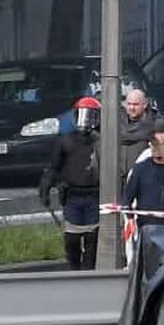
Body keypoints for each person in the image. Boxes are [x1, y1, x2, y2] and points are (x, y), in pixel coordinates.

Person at [39, 97, 104, 269]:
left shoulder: (102, 143)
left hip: (95, 195)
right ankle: (74, 270)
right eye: (84, 115)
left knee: (92, 238)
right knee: (71, 239)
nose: (87, 121)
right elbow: (53, 167)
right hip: (72, 195)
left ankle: (88, 273)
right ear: (76, 116)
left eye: (92, 116)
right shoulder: (65, 141)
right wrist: (45, 188)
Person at [121, 121, 164, 215]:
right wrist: (130, 219)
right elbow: (127, 199)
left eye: (160, 144)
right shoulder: (141, 167)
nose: (155, 147)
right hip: (147, 224)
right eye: (153, 143)